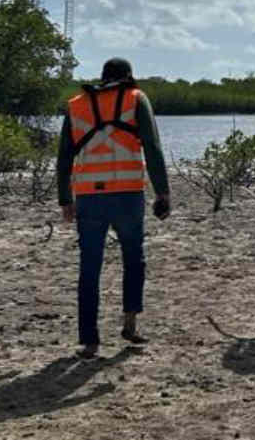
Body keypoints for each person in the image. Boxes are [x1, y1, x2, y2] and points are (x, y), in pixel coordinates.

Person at [57, 57, 171, 358]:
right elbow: (153, 147)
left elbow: (64, 157)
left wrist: (64, 199)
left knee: (89, 268)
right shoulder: (136, 98)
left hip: (89, 197)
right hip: (128, 195)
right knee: (134, 259)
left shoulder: (76, 105)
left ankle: (90, 341)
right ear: (129, 77)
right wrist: (163, 192)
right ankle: (130, 324)